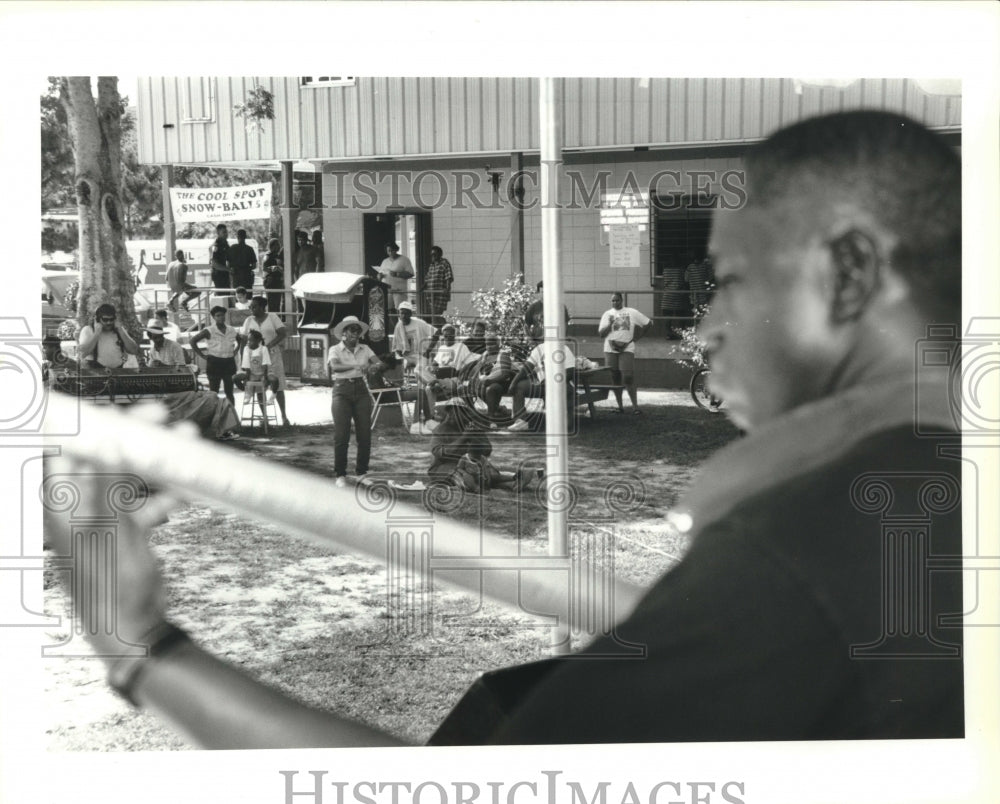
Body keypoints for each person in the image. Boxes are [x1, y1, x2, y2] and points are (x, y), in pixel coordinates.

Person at [44, 111, 963, 746]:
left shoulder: (807, 543)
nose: (707, 324)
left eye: (731, 279)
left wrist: (143, 651)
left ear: (848, 274)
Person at [327, 315, 384, 488]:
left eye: (358, 330)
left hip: (361, 389)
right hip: (341, 390)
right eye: (352, 330)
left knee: (364, 434)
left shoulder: (365, 348)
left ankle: (361, 473)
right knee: (341, 434)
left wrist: (374, 366)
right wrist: (357, 367)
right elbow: (335, 367)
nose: (355, 334)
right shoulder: (334, 349)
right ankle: (340, 474)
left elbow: (379, 363)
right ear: (344, 332)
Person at [504, 333, 576, 432]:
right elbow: (527, 367)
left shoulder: (564, 349)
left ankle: (562, 420)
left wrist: (552, 381)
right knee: (519, 386)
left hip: (562, 385)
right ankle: (521, 422)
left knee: (566, 427)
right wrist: (513, 382)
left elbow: (570, 372)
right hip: (543, 386)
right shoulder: (540, 348)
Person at [239, 295, 292, 427]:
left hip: (272, 355)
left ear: (262, 307)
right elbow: (243, 340)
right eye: (251, 306)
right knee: (258, 387)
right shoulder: (249, 320)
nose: (251, 308)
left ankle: (284, 417)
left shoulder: (272, 316)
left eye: (254, 306)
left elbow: (282, 333)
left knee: (278, 385)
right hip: (255, 358)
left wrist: (269, 345)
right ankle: (265, 418)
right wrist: (242, 360)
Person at [597, 292, 651, 414]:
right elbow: (601, 334)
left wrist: (637, 337)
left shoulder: (631, 312)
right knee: (615, 377)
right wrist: (610, 324)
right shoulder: (607, 314)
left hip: (627, 348)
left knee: (628, 377)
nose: (615, 303)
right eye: (613, 301)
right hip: (610, 348)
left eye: (617, 300)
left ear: (622, 300)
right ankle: (620, 406)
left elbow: (648, 323)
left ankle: (635, 407)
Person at [391, 301, 436, 427]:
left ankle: (421, 418)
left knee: (421, 382)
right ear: (399, 314)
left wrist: (428, 351)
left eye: (406, 313)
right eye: (401, 313)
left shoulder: (419, 323)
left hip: (421, 355)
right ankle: (419, 418)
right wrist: (400, 358)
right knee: (398, 367)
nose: (403, 316)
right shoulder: (398, 326)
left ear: (411, 314)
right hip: (408, 356)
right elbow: (396, 347)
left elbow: (437, 333)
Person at [189, 305, 238, 407]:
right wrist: (202, 355)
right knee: (213, 392)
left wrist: (236, 350)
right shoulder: (209, 330)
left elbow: (241, 340)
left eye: (222, 315)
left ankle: (232, 416)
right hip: (214, 362)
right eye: (218, 315)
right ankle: (213, 416)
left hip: (229, 362)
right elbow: (192, 341)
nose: (221, 317)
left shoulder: (231, 329)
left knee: (229, 392)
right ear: (213, 317)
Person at [77, 303, 140, 369]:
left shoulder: (119, 330)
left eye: (111, 319)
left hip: (117, 371)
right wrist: (96, 334)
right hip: (97, 372)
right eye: (105, 319)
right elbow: (82, 353)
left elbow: (134, 350)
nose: (108, 322)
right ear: (97, 319)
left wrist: (121, 330)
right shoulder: (88, 330)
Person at [659, 254, 690, 338]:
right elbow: (685, 282)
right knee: (681, 315)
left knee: (667, 315)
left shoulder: (665, 270)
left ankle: (669, 334)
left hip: (667, 295)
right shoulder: (681, 270)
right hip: (678, 294)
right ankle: (682, 333)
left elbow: (664, 282)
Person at [422, 245, 453, 327]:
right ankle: (444, 329)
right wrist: (422, 287)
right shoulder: (432, 265)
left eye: (435, 254)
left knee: (436, 314)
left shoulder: (444, 263)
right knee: (435, 315)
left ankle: (442, 329)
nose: (433, 256)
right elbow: (427, 278)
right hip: (431, 295)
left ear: (440, 254)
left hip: (440, 294)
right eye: (431, 255)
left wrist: (447, 288)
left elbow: (448, 277)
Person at [378, 241, 414, 311]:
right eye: (389, 251)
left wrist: (397, 274)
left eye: (392, 250)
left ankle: (400, 322)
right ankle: (394, 323)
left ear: (396, 249)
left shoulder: (404, 260)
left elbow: (411, 274)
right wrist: (380, 276)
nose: (390, 252)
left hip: (399, 291)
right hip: (388, 291)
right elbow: (380, 273)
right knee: (389, 310)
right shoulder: (385, 261)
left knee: (400, 310)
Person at [261, 237, 285, 312]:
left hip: (278, 282)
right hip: (271, 282)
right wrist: (273, 268)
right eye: (277, 245)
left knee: (277, 303)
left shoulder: (278, 256)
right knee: (271, 303)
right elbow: (265, 268)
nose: (279, 247)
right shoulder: (268, 256)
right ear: (272, 246)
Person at [209, 223, 231, 291]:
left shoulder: (225, 244)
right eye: (224, 232)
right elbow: (214, 264)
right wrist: (229, 269)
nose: (226, 234)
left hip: (225, 275)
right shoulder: (216, 245)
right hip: (218, 276)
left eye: (226, 232)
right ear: (218, 233)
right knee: (222, 297)